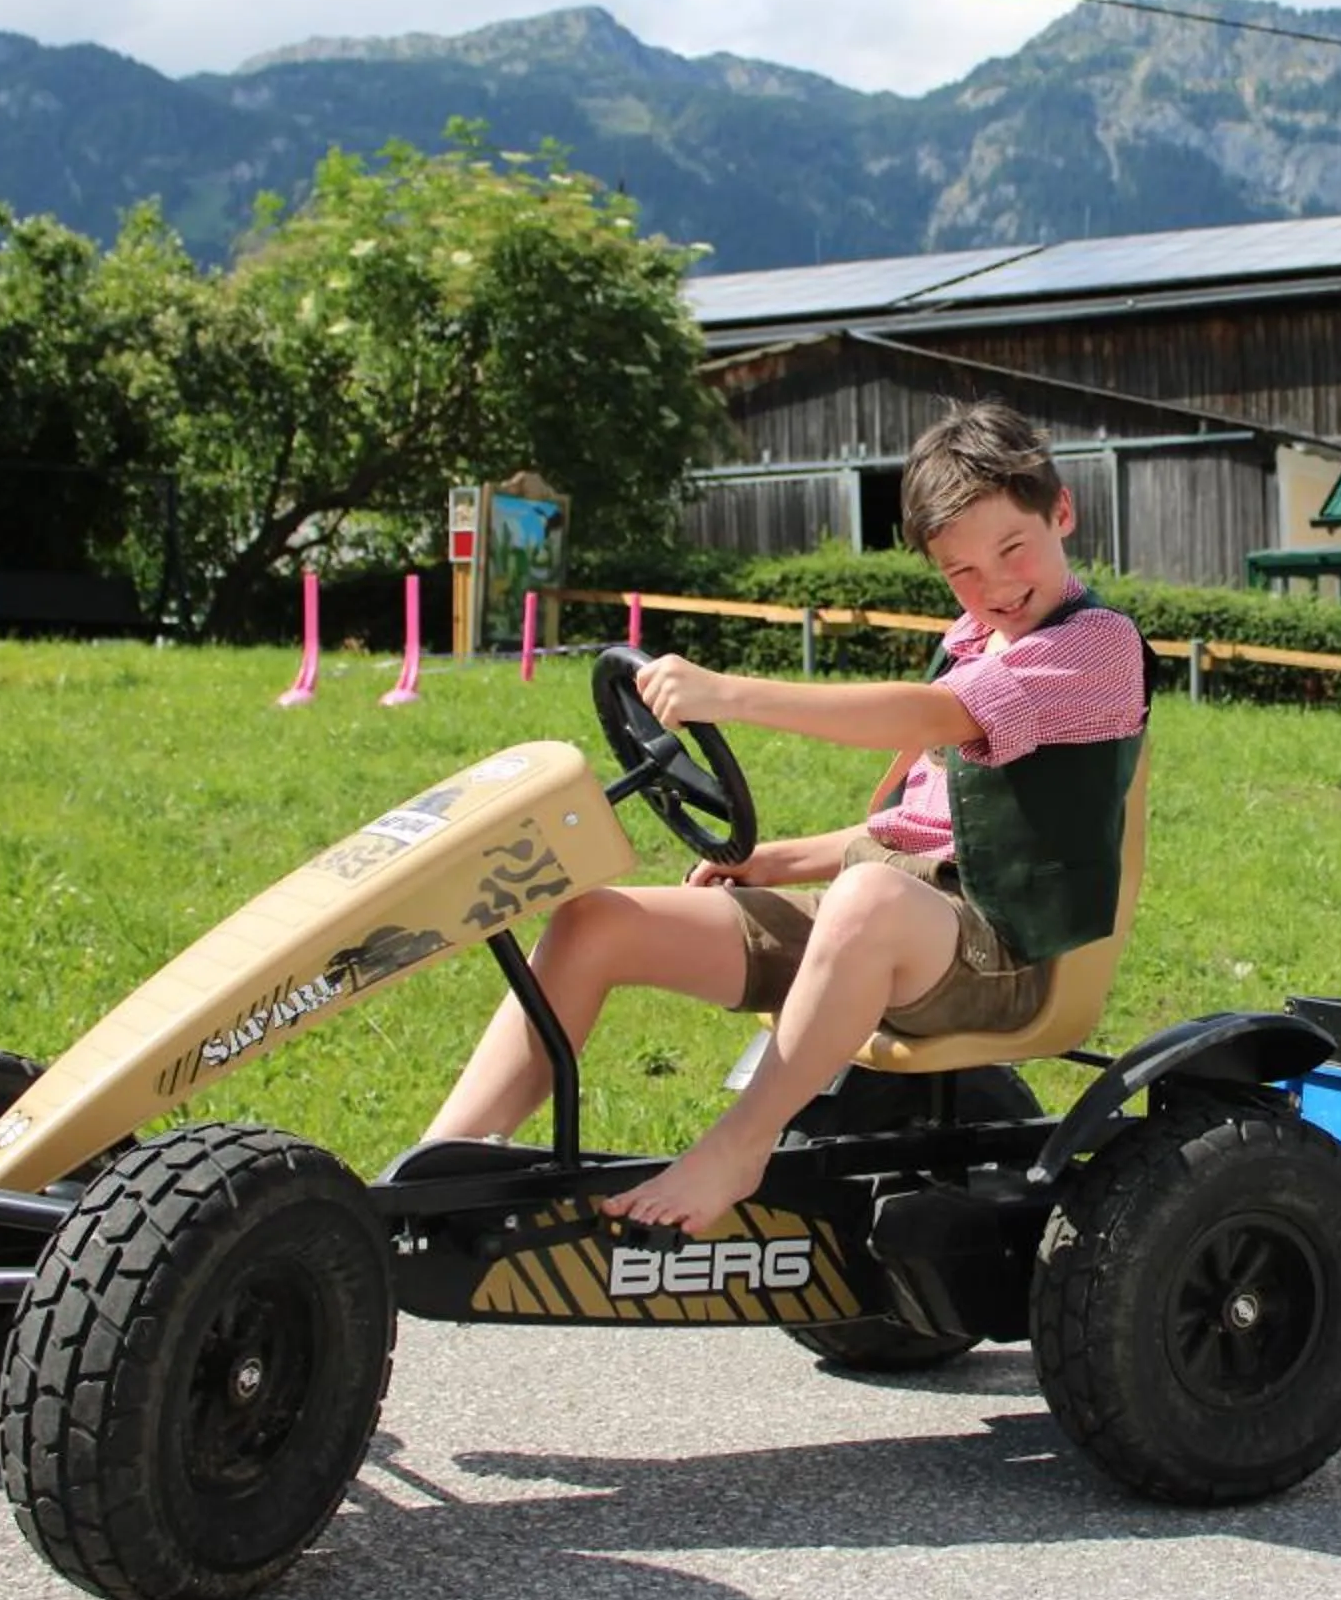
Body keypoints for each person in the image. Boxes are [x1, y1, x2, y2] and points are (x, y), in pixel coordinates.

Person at [425, 400, 1150, 1235]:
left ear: (1062, 513)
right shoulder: (972, 640)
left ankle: (740, 1146)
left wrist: (728, 695)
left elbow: (920, 717)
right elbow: (917, 828)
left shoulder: (1094, 646)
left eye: (1012, 550)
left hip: (1005, 951)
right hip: (897, 922)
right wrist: (773, 860)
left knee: (867, 900)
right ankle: (446, 1170)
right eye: (962, 573)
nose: (993, 587)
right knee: (595, 921)